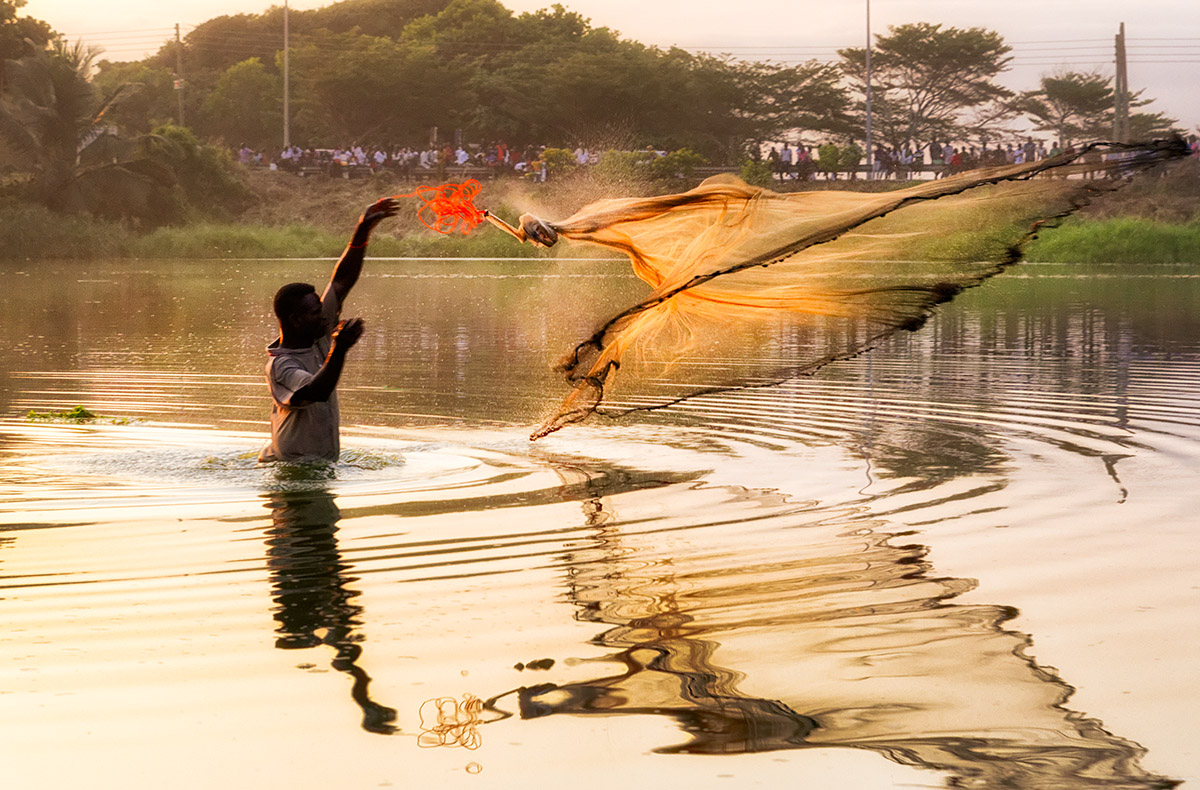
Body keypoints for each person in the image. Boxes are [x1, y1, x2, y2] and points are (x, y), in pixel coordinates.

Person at [259, 198, 399, 463]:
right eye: (315, 313)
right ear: (295, 320)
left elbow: (341, 280)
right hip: (291, 469)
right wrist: (341, 348)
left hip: (319, 466)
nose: (324, 317)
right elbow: (315, 392)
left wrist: (362, 232)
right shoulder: (281, 366)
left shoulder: (319, 334)